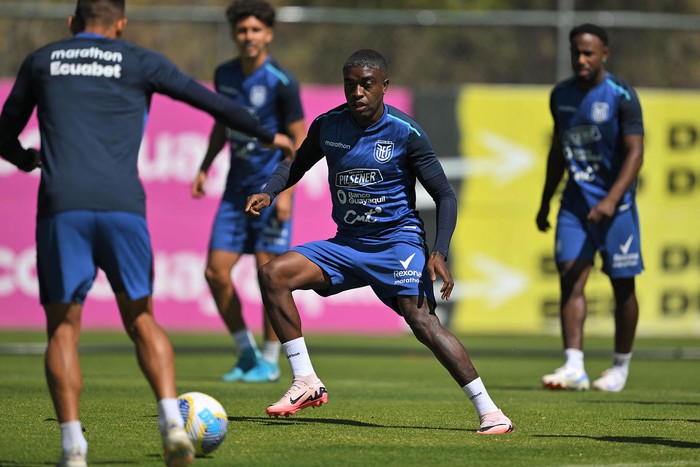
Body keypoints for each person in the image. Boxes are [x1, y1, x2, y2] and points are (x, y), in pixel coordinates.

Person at [0, 1, 293, 466]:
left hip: (63, 206)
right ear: (120, 24)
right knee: (141, 318)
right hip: (123, 208)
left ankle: (74, 449)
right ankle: (173, 426)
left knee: (62, 329)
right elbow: (213, 103)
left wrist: (26, 160)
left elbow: (3, 133)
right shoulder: (138, 60)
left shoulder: (43, 60)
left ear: (73, 23)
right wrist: (265, 134)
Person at [245, 49, 514, 434]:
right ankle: (305, 380)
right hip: (348, 244)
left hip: (397, 244)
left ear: (384, 87)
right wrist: (270, 192)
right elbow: (296, 163)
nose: (357, 92)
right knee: (273, 274)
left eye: (367, 84)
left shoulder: (406, 133)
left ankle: (491, 411)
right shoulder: (328, 125)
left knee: (421, 320)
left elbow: (445, 195)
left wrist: (437, 251)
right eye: (350, 84)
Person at [191, 0, 305, 384]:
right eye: (242, 30)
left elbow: (299, 139)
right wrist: (206, 165)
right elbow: (221, 126)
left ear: (268, 34)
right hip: (233, 193)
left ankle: (271, 360)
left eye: (256, 30)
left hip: (269, 190)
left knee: (269, 274)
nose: (249, 36)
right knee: (215, 272)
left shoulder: (281, 81)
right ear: (234, 35)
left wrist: (285, 192)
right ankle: (246, 353)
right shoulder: (223, 74)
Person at [536, 23, 644, 392]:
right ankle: (574, 366)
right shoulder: (560, 95)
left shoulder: (621, 95)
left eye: (588, 53)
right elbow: (557, 152)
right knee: (570, 276)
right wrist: (544, 202)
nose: (581, 60)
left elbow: (636, 152)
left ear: (604, 55)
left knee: (623, 287)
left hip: (618, 206)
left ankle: (619, 368)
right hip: (575, 204)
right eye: (575, 53)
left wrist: (612, 199)